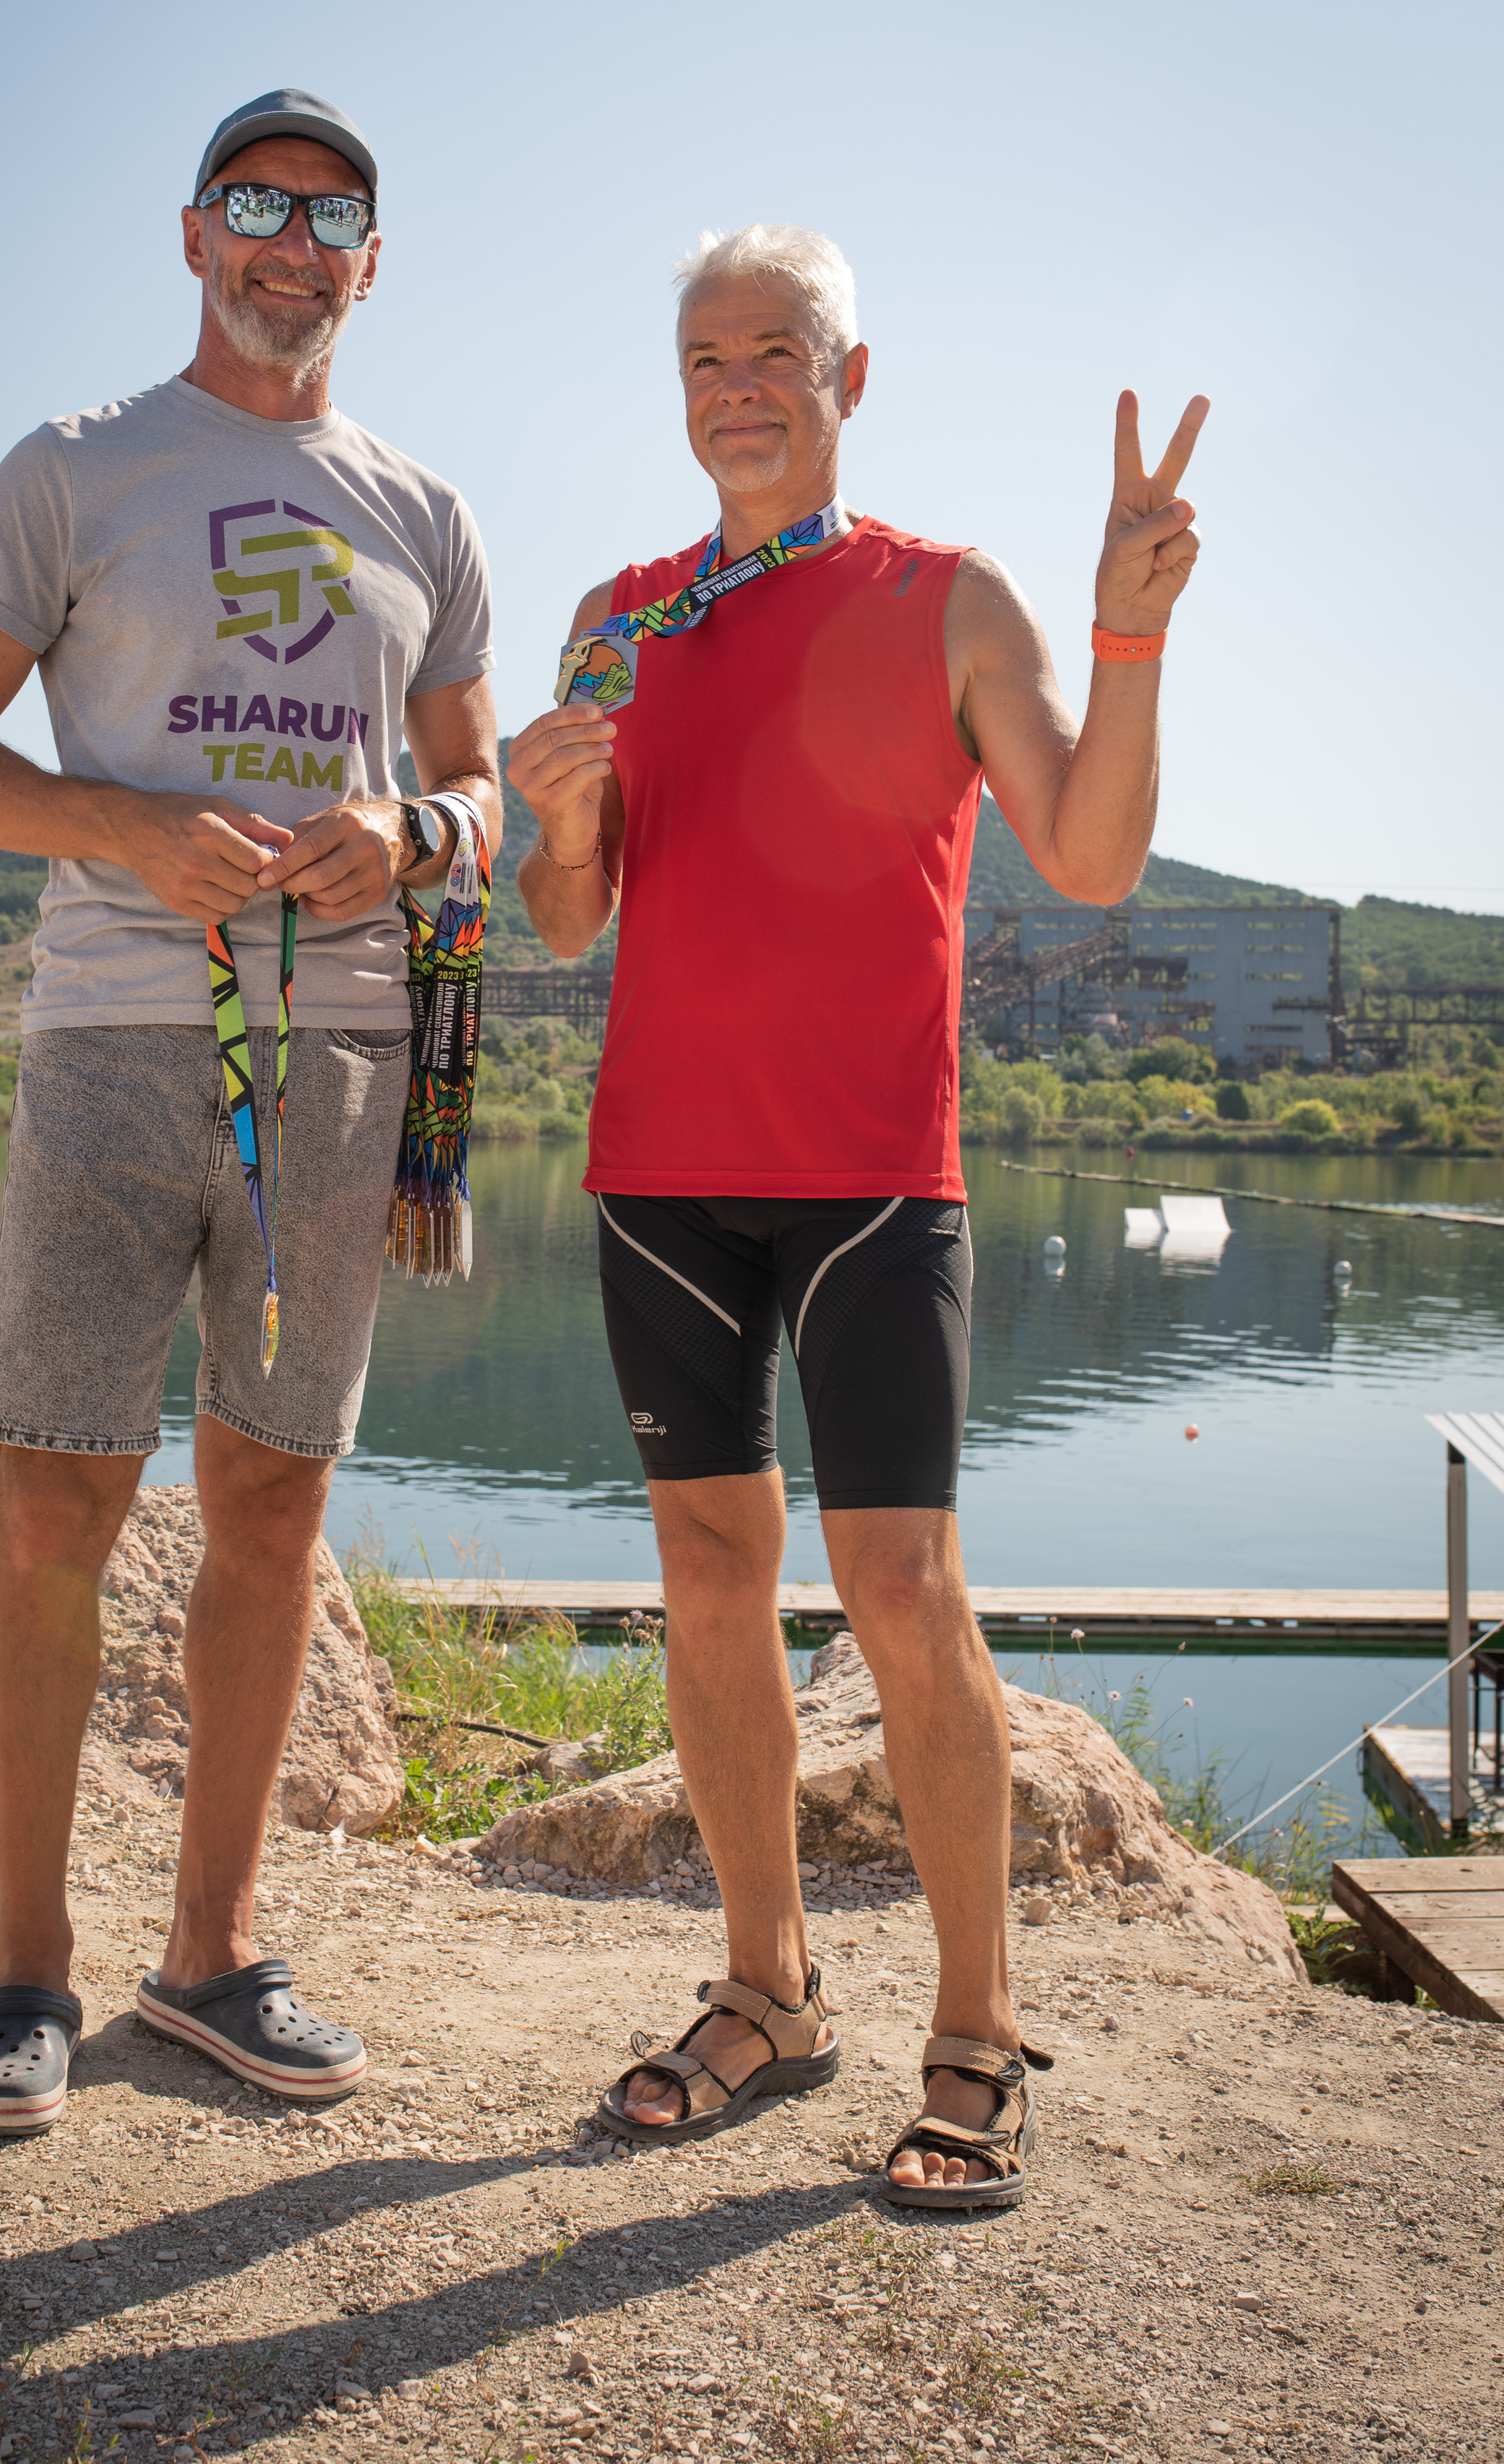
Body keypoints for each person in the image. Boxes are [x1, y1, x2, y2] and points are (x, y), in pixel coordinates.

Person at [507, 224, 1203, 2206]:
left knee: (902, 1588)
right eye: (706, 356)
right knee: (714, 1583)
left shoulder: (951, 596)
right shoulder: (614, 618)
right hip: (661, 1177)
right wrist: (563, 825)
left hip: (879, 1180)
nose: (739, 384)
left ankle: (977, 2033)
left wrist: (1128, 629)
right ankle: (766, 1989)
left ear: (850, 376)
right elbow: (570, 916)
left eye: (777, 353)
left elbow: (1086, 853)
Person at [0, 88, 501, 2135]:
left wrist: (409, 832)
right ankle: (27, 1978)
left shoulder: (424, 506)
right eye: (256, 205)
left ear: (372, 263)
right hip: (112, 1045)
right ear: (192, 234)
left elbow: (481, 796)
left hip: (341, 1060)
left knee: (270, 1503)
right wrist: (131, 826)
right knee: (56, 1495)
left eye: (331, 216)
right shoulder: (72, 470)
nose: (290, 242)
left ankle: (212, 1959)